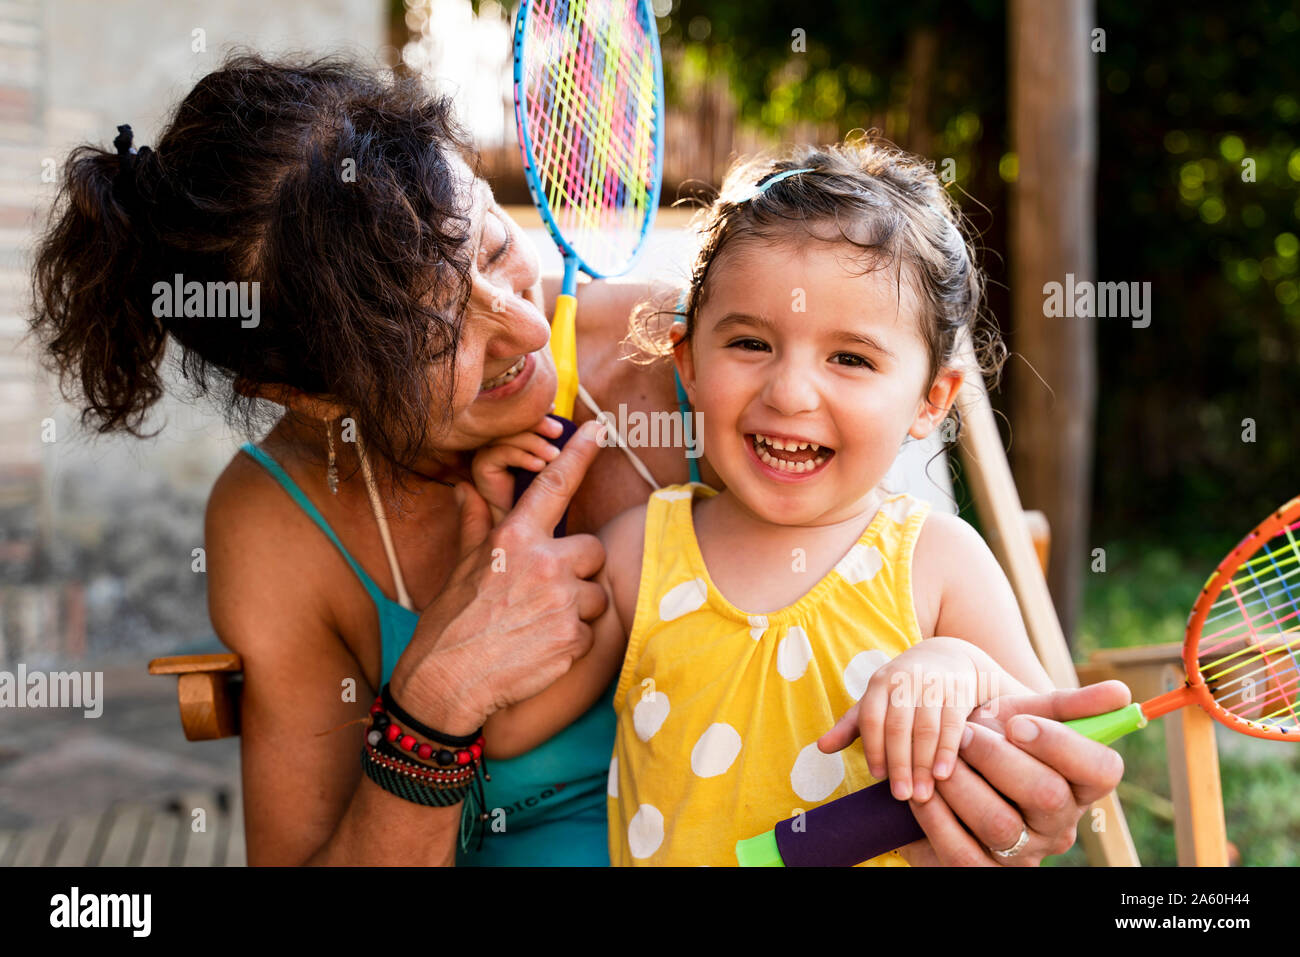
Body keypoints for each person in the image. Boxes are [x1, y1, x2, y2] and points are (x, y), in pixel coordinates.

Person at [29, 51, 1125, 866]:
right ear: (304, 395)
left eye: (497, 250)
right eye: (433, 335)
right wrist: (437, 693)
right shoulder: (282, 524)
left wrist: (997, 765)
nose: (516, 327)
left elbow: (923, 632)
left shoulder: (723, 362)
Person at [471, 140, 1125, 866]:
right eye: (750, 342)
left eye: (850, 358)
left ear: (930, 400)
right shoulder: (639, 552)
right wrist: (506, 538)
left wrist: (960, 668)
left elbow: (1046, 766)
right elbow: (506, 728)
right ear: (687, 364)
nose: (788, 393)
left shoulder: (940, 564)